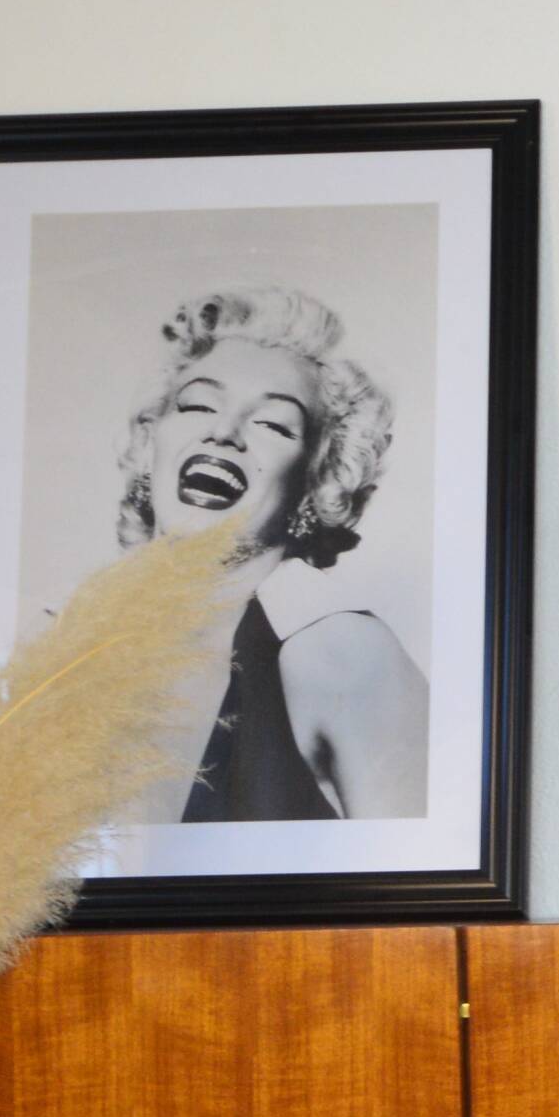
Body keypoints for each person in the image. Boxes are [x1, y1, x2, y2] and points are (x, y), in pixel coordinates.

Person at [115, 287, 431, 821]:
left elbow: (429, 868)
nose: (223, 432)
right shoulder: (63, 658)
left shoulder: (346, 658)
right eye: (198, 405)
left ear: (317, 483)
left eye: (273, 424)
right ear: (149, 447)